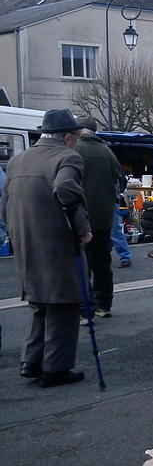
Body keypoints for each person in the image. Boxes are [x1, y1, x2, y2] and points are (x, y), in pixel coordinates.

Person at [2, 109, 91, 387]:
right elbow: (65, 187)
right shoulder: (67, 157)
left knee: (39, 301)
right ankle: (56, 368)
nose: (76, 142)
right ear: (67, 137)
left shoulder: (17, 160)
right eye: (76, 137)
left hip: (24, 237)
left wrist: (13, 230)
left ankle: (31, 360)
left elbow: (5, 202)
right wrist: (82, 229)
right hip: (57, 239)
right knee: (65, 302)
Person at [74, 116, 127, 319]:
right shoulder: (107, 151)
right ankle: (104, 305)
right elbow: (121, 181)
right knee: (102, 263)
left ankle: (85, 309)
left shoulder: (74, 150)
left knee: (82, 265)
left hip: (80, 216)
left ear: (79, 130)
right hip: (104, 217)